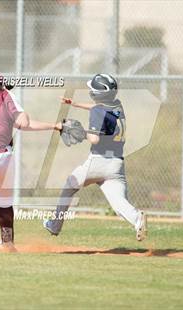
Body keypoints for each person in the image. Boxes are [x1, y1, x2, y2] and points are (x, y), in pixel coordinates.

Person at [0, 74, 61, 250]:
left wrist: (55, 125)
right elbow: (23, 121)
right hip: (0, 158)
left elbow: (21, 126)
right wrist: (23, 112)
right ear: (2, 87)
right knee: (4, 203)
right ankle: (8, 243)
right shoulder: (5, 95)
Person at [43, 73, 148, 241]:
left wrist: (80, 132)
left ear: (97, 94)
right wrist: (76, 104)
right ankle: (137, 219)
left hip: (97, 162)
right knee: (119, 202)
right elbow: (100, 109)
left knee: (69, 186)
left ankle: (55, 225)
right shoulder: (117, 105)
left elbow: (94, 138)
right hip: (116, 164)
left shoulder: (98, 111)